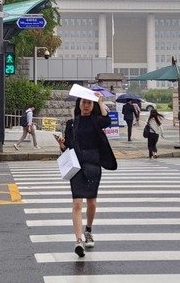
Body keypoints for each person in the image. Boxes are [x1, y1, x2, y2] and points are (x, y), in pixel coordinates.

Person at [55, 93, 117, 258]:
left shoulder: (97, 120)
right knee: (77, 203)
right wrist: (62, 144)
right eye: (84, 102)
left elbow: (108, 120)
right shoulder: (72, 123)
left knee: (92, 203)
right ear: (79, 103)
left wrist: (101, 101)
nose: (86, 105)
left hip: (93, 165)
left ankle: (88, 230)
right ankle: (78, 240)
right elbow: (67, 147)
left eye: (90, 102)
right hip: (77, 166)